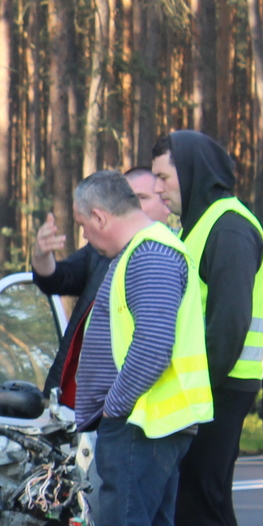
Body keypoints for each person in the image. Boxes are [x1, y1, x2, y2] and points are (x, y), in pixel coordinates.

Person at [59, 170, 212, 526]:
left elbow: (152, 344)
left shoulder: (149, 254)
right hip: (158, 420)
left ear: (100, 216)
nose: (85, 238)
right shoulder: (150, 251)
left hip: (142, 422)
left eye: (84, 226)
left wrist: (114, 408)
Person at [152, 130, 263, 526]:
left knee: (201, 506)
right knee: (204, 505)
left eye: (164, 177)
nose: (159, 189)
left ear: (193, 171)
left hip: (220, 389)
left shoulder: (228, 226)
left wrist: (198, 396)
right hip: (208, 388)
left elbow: (229, 322)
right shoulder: (200, 225)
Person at [32, 167, 174, 397]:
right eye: (128, 197)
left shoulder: (163, 257)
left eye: (142, 198)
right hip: (76, 396)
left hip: (127, 403)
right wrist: (41, 254)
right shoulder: (101, 252)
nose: (130, 206)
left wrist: (113, 406)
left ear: (165, 204)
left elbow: (153, 349)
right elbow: (56, 280)